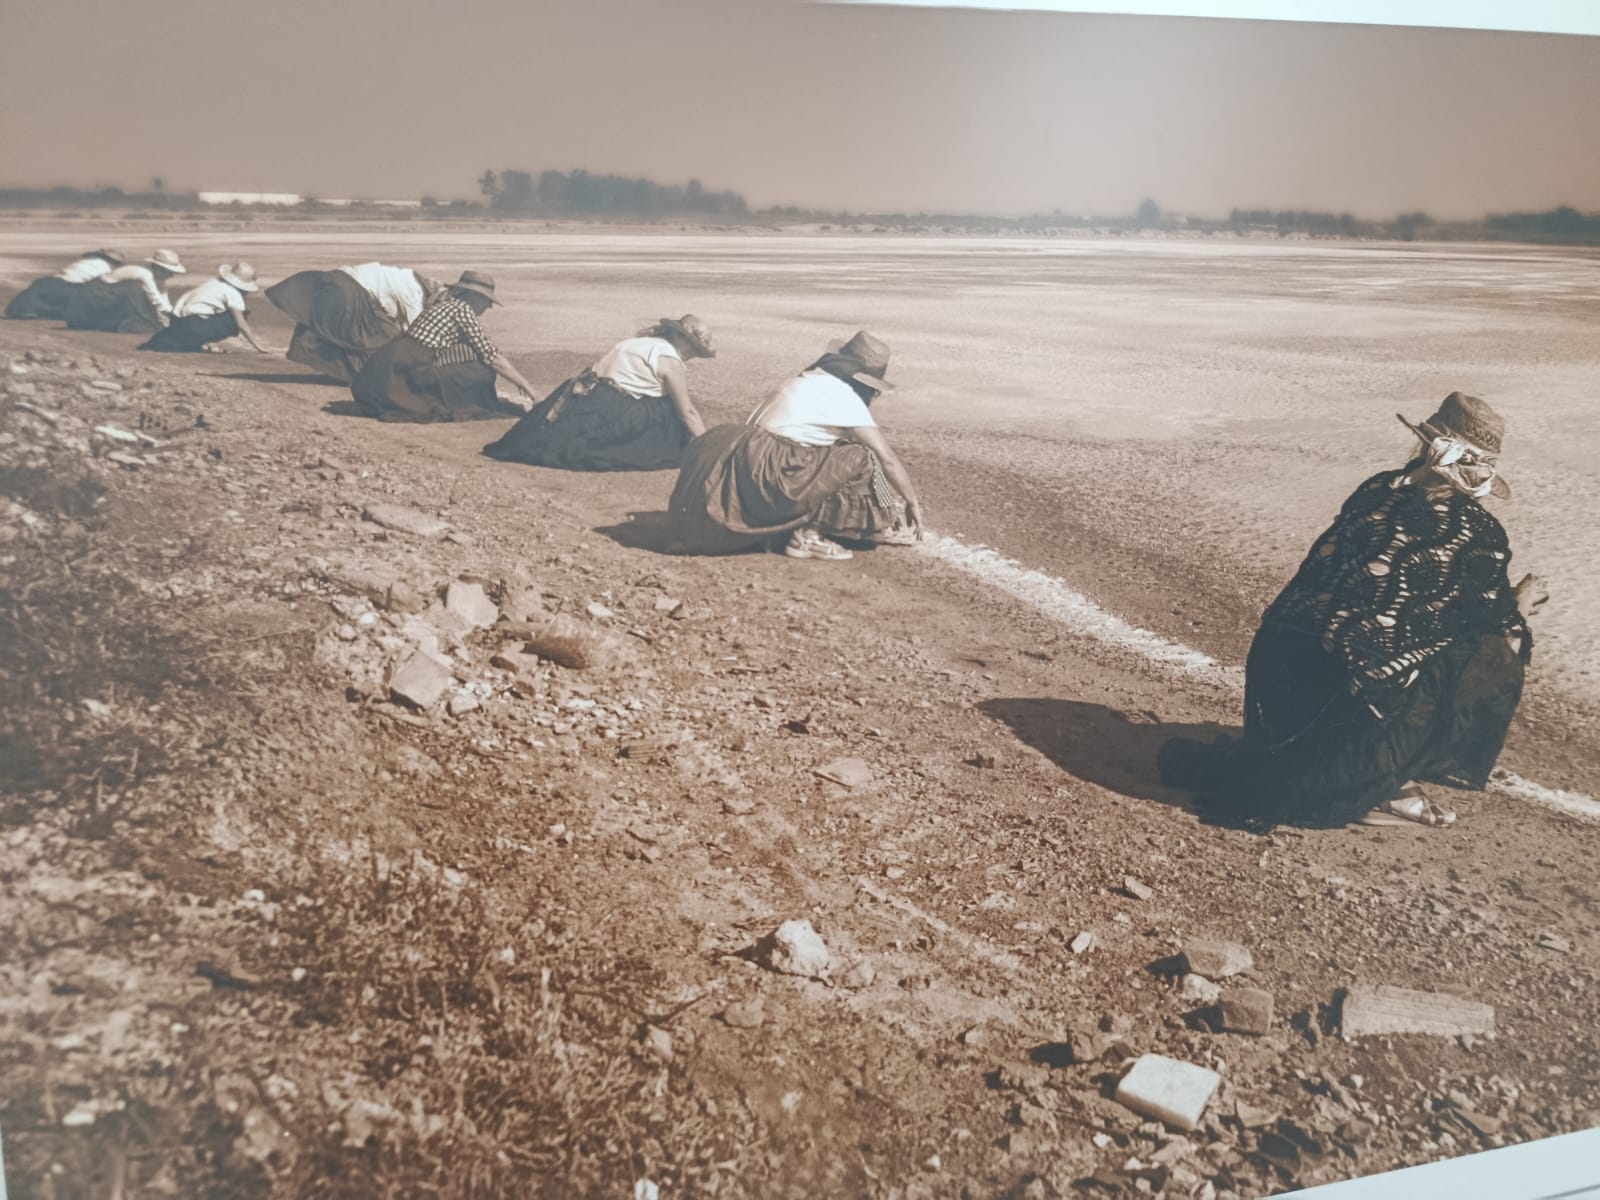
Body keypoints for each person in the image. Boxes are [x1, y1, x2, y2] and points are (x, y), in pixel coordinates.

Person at [1158, 392, 1547, 829]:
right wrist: (1520, 605)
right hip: (1347, 706)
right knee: (1496, 657)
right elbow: (1482, 625)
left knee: (1380, 648)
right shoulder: (1475, 532)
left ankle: (1329, 755)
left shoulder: (1377, 489)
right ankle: (1384, 779)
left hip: (1282, 680)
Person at [667, 331, 925, 560]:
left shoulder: (800, 381)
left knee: (827, 451)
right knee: (859, 455)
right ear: (864, 382)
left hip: (744, 469)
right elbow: (886, 457)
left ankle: (788, 525)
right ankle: (809, 536)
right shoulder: (843, 396)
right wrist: (911, 500)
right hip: (769, 470)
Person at [483, 315, 716, 471]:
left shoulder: (636, 343)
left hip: (582, 398)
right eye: (694, 349)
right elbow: (688, 412)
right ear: (682, 340)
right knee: (667, 407)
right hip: (611, 409)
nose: (693, 355)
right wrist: (709, 445)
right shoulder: (669, 361)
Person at [350, 270, 537, 422]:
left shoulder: (444, 305)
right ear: (472, 295)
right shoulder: (462, 310)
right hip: (405, 366)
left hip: (386, 365)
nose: (489, 307)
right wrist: (529, 389)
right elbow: (492, 356)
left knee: (472, 360)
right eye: (487, 300)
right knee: (482, 370)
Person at [266, 261, 445, 381]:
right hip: (349, 290)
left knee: (336, 328)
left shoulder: (406, 276)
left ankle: (356, 373)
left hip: (337, 280)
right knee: (381, 337)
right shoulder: (413, 296)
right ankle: (368, 377)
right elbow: (414, 334)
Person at [139, 263, 272, 353]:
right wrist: (258, 346)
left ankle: (199, 342)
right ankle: (211, 341)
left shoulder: (213, 282)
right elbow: (241, 324)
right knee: (241, 314)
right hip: (194, 325)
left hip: (178, 321)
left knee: (177, 339)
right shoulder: (233, 293)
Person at [64, 249, 185, 334]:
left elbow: (164, 302)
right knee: (136, 290)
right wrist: (174, 318)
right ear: (159, 268)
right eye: (170, 271)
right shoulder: (144, 274)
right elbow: (155, 299)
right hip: (96, 294)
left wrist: (170, 319)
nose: (172, 275)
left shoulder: (160, 281)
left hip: (110, 295)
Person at [5, 249, 125, 320]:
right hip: (71, 286)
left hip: (50, 281)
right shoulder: (105, 268)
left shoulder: (85, 261)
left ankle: (21, 310)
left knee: (36, 291)